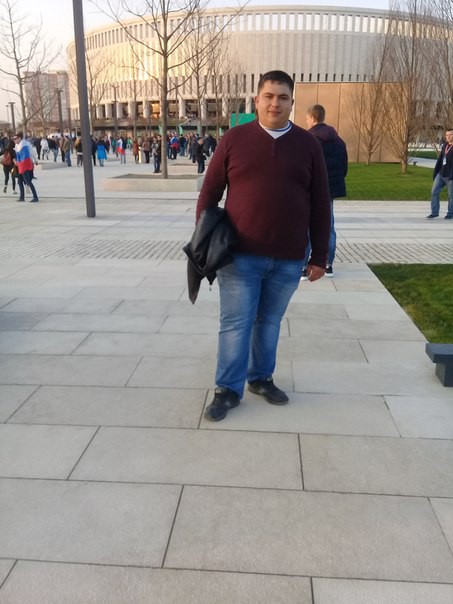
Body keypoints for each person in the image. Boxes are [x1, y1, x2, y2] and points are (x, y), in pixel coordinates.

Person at [196, 70, 331, 421]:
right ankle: (228, 389)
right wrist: (203, 242)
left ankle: (260, 378)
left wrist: (319, 255)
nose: (275, 103)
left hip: (289, 257)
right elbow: (209, 194)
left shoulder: (308, 145)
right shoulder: (234, 139)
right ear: (256, 100)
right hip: (239, 255)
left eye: (283, 97)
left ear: (292, 102)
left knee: (269, 322)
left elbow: (321, 203)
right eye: (268, 96)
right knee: (236, 323)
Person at [301, 104, 348, 279]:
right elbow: (344, 168)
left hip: (310, 190)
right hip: (329, 191)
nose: (306, 122)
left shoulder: (308, 140)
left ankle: (303, 266)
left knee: (306, 228)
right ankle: (328, 265)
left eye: (307, 119)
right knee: (328, 227)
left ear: (313, 118)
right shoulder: (339, 141)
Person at [427, 128, 453, 219]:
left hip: (450, 176)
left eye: (450, 135)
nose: (448, 137)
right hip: (441, 173)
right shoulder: (445, 145)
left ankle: (450, 214)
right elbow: (441, 159)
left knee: (451, 196)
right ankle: (434, 212)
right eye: (447, 135)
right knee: (434, 191)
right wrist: (436, 171)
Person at [14, 131, 39, 202]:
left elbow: (29, 154)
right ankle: (22, 197)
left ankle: (35, 197)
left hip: (24, 165)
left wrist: (35, 160)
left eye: (15, 138)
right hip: (20, 165)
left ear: (19, 138)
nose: (14, 140)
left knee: (28, 181)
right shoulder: (17, 145)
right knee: (20, 181)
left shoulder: (25, 145)